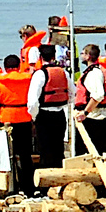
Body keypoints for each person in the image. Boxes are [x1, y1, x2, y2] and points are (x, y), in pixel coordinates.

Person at [0, 54, 39, 194]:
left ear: (5, 68)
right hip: (25, 120)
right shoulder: (28, 80)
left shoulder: (0, 83)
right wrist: (33, 119)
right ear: (19, 67)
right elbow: (33, 100)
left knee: (7, 155)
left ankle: (11, 188)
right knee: (25, 155)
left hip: (7, 123)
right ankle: (28, 187)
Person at [32, 43, 72, 171]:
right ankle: (59, 178)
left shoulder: (39, 74)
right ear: (54, 56)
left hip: (44, 115)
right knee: (58, 148)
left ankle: (46, 184)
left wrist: (34, 116)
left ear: (40, 57)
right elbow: (73, 92)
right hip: (60, 114)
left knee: (45, 149)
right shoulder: (63, 72)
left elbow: (32, 101)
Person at [75, 42, 106, 153]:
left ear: (88, 56)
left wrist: (85, 112)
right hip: (100, 116)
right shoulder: (100, 70)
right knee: (98, 149)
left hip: (94, 118)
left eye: (83, 53)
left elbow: (98, 95)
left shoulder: (93, 73)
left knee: (87, 151)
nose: (82, 56)